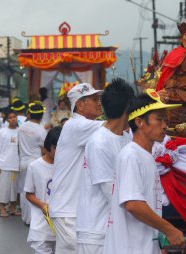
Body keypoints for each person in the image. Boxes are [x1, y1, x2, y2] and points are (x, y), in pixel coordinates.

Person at [103, 90, 185, 254]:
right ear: (139, 122)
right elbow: (133, 203)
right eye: (159, 120)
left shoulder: (146, 156)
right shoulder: (131, 156)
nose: (164, 126)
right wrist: (169, 229)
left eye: (166, 120)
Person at [76, 79, 134, 254]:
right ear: (128, 108)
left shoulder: (127, 137)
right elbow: (112, 192)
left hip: (116, 227)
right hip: (96, 232)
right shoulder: (99, 142)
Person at [48, 83, 104, 253]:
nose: (99, 103)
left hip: (77, 208)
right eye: (94, 99)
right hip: (67, 210)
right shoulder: (77, 125)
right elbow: (116, 127)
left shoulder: (86, 125)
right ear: (80, 104)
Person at [25, 126, 62, 254]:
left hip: (61, 223)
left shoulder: (65, 166)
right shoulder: (34, 166)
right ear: (48, 146)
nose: (61, 152)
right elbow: (29, 194)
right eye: (57, 148)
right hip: (41, 224)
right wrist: (42, 205)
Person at [18, 102, 47, 224]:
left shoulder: (21, 127)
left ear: (29, 114)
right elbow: (44, 150)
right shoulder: (41, 130)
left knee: (24, 191)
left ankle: (25, 218)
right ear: (41, 116)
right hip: (35, 163)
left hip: (23, 162)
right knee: (34, 192)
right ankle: (31, 220)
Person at [0, 109, 20, 217]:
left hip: (16, 164)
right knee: (4, 188)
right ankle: (2, 208)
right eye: (10, 117)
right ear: (7, 120)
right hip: (4, 165)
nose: (13, 119)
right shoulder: (2, 132)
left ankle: (13, 208)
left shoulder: (20, 131)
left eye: (14, 116)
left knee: (14, 188)